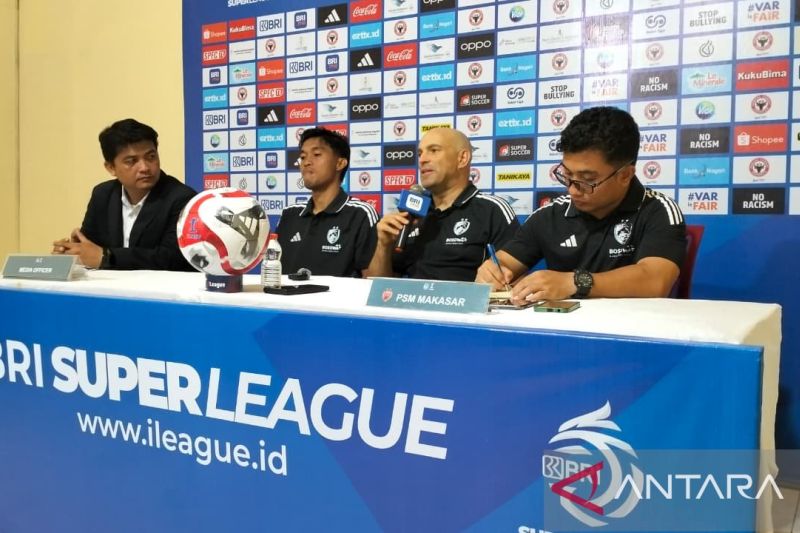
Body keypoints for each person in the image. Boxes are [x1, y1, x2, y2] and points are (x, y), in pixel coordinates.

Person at [476, 106, 687, 303]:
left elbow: (655, 280)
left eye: (587, 180)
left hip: (630, 327)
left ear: (625, 175)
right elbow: (504, 262)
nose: (572, 190)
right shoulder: (550, 215)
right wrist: (492, 272)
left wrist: (575, 282)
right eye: (567, 175)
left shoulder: (658, 210)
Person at [367, 127, 519, 281]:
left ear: (462, 158)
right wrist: (382, 246)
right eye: (420, 153)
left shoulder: (492, 210)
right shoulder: (411, 213)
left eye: (434, 150)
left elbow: (510, 280)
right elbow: (379, 286)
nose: (422, 159)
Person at [52, 119, 196, 270]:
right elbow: (90, 247)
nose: (145, 167)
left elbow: (172, 258)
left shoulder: (182, 198)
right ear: (111, 168)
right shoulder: (103, 195)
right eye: (131, 161)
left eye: (151, 157)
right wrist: (74, 250)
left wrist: (106, 257)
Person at [276, 127, 378, 277]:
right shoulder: (289, 214)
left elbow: (372, 280)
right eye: (303, 157)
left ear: (340, 163)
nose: (306, 162)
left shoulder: (361, 214)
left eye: (317, 154)